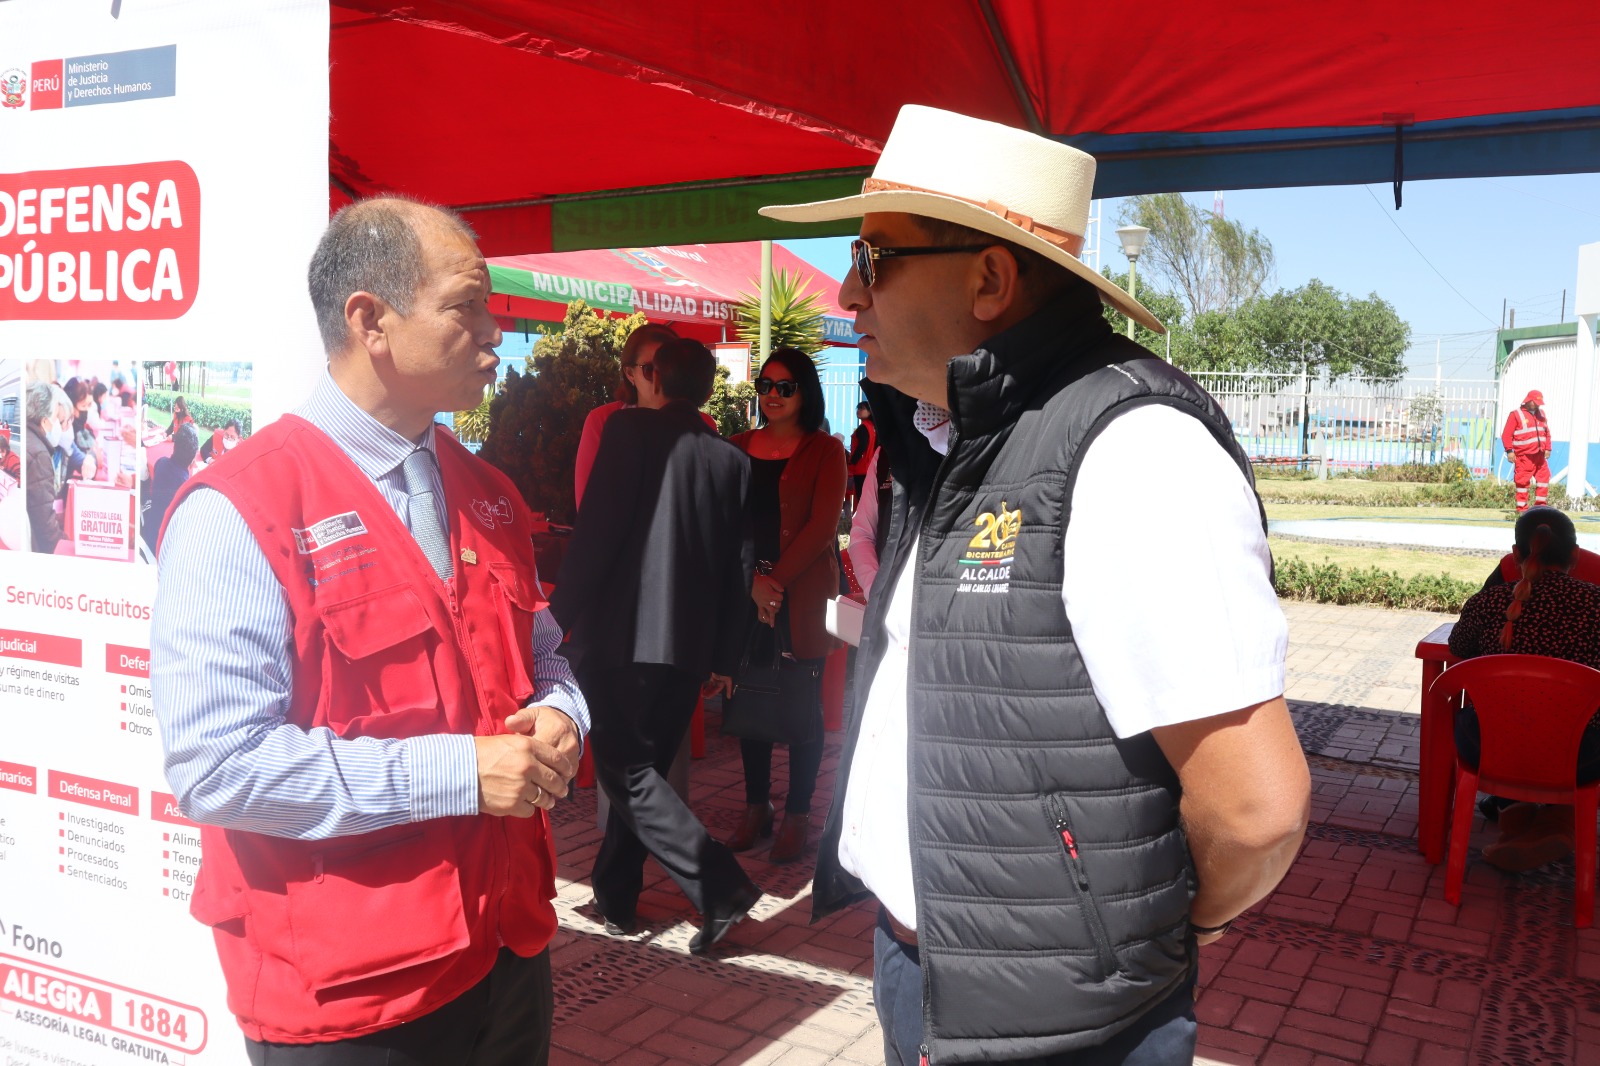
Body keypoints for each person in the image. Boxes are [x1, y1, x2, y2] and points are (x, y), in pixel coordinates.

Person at [759, 105, 1310, 1065]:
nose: (847, 291)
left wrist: (1165, 935)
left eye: (873, 258)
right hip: (930, 976)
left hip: (1064, 1023)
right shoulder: (954, 439)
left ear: (990, 278)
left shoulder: (1133, 450)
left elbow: (1254, 810)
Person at [151, 196, 588, 1063]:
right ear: (371, 321)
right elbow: (218, 767)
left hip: (506, 950)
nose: (495, 333)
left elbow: (545, 657)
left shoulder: (489, 493)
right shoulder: (241, 509)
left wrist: (568, 713)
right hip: (352, 998)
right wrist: (461, 772)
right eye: (467, 306)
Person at [552, 337, 762, 954]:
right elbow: (740, 568)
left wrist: (555, 616)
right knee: (641, 775)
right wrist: (725, 657)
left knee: (627, 772)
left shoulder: (628, 432)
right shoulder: (734, 461)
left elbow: (597, 532)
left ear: (652, 376)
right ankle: (616, 896)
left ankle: (720, 886)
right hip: (690, 646)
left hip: (622, 636)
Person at [725, 346, 847, 863]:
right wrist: (752, 583)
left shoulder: (826, 450)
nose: (772, 396)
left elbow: (824, 528)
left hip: (800, 598)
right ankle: (757, 807)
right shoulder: (734, 448)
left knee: (801, 709)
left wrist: (774, 582)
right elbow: (723, 524)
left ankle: (798, 814)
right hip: (745, 596)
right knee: (749, 700)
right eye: (765, 386)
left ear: (805, 392)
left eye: (784, 387)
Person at [1449, 506, 1600, 872]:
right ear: (1575, 556)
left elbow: (1456, 652)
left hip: (1489, 748)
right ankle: (1553, 820)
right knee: (1580, 732)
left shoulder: (1487, 603)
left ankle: (1519, 817)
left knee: (1480, 718)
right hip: (1580, 757)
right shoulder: (1597, 605)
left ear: (1515, 555)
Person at [572, 322, 678, 508]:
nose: (661, 379)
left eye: (670, 369)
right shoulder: (603, 421)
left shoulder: (701, 424)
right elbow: (588, 505)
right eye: (649, 369)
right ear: (630, 374)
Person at [24, 381, 71, 554]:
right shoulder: (39, 455)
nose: (58, 425)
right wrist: (65, 546)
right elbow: (44, 524)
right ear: (44, 421)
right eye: (55, 419)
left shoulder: (29, 441)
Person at [143, 422, 198, 555]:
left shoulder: (160, 463)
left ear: (174, 446)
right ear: (194, 456)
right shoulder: (187, 488)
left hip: (149, 532)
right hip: (166, 548)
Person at [1502, 389, 1551, 513]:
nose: (1538, 405)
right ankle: (1521, 510)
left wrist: (1548, 448)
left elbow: (1547, 433)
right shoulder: (1516, 414)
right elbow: (1506, 435)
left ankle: (1540, 508)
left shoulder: (1542, 414)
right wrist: (1509, 451)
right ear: (1528, 401)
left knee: (1544, 480)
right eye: (1535, 402)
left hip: (1539, 456)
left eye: (1539, 402)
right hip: (1524, 456)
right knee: (1522, 482)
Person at [846, 400, 877, 509]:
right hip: (869, 467)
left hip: (861, 467)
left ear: (869, 412)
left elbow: (862, 447)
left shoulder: (863, 427)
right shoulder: (872, 427)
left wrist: (852, 461)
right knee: (867, 498)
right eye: (858, 408)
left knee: (861, 498)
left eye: (862, 408)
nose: (858, 411)